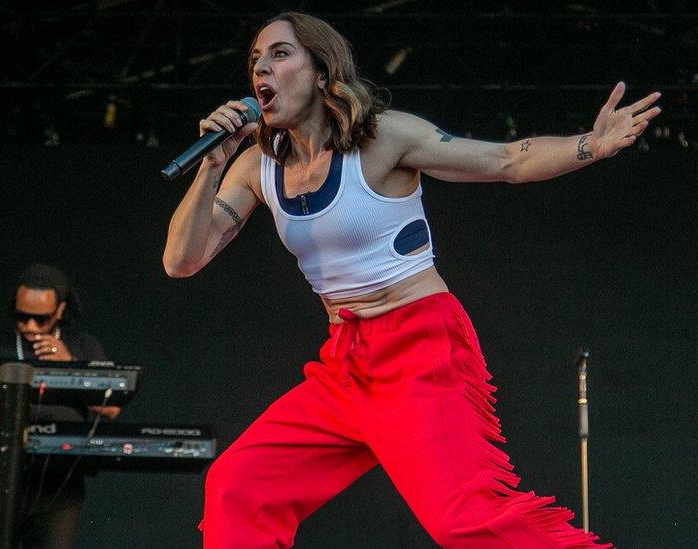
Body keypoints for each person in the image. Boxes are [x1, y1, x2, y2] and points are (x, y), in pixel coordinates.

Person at [164, 11, 660, 548]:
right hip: (345, 363)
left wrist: (592, 143)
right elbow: (181, 261)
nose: (262, 66)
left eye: (280, 54)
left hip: (419, 349)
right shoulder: (255, 165)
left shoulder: (383, 138)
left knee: (461, 520)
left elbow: (506, 161)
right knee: (238, 486)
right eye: (256, 59)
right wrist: (211, 166)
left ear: (322, 71)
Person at [0, 263, 119, 549]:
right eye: (22, 317)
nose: (30, 327)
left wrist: (70, 367)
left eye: (41, 319)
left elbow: (110, 407)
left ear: (60, 310)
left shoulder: (82, 346)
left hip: (57, 486)